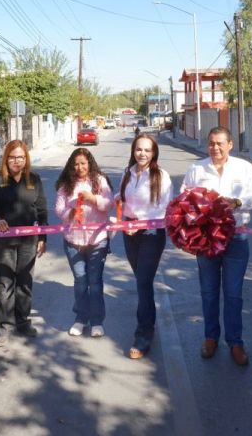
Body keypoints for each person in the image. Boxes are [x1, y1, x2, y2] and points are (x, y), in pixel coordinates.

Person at [182, 126, 252, 366]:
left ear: (230, 145)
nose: (215, 148)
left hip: (236, 238)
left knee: (233, 294)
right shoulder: (197, 169)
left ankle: (235, 342)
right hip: (206, 239)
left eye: (220, 143)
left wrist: (236, 202)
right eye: (211, 143)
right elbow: (184, 200)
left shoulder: (244, 168)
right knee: (208, 292)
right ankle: (210, 338)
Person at [0, 140, 49, 347]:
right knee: (4, 283)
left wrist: (42, 237)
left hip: (28, 240)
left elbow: (42, 210)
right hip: (2, 242)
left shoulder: (34, 180)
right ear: (6, 158)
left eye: (21, 157)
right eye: (12, 157)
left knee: (25, 282)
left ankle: (23, 322)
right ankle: (4, 326)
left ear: (26, 159)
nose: (17, 161)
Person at [115, 134, 173, 359]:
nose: (142, 154)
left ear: (154, 153)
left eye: (147, 150)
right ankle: (149, 320)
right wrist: (99, 200)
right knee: (141, 279)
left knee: (143, 282)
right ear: (133, 151)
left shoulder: (161, 176)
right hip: (129, 232)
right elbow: (120, 197)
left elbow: (165, 208)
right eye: (139, 149)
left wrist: (139, 224)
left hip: (151, 232)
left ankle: (143, 336)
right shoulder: (127, 173)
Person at [55, 147, 113, 338]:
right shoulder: (65, 185)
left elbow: (108, 204)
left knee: (95, 282)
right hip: (73, 241)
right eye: (76, 164)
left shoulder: (100, 181)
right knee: (81, 281)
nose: (79, 167)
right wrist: (69, 213)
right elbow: (59, 210)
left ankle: (97, 321)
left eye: (83, 163)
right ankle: (81, 319)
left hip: (97, 240)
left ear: (89, 163)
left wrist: (93, 198)